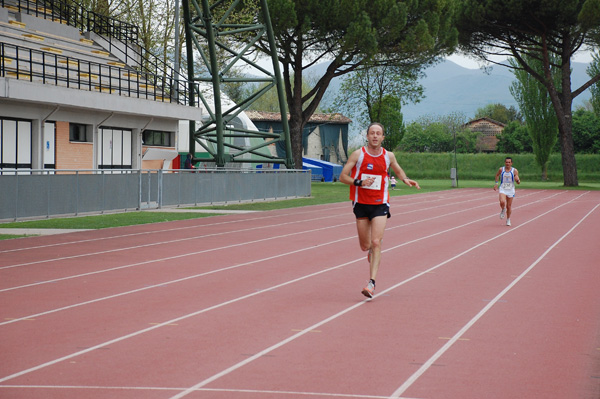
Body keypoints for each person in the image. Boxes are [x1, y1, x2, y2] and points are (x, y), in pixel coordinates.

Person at [340, 122, 420, 298]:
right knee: (365, 245)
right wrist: (359, 182)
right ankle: (370, 250)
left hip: (380, 203)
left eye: (378, 133)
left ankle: (371, 283)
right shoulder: (358, 154)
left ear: (383, 137)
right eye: (372, 133)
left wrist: (406, 179)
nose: (375, 136)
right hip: (360, 202)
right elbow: (343, 176)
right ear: (367, 136)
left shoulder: (388, 156)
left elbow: (398, 171)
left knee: (376, 242)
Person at [493, 157, 520, 226]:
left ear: (511, 163)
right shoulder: (501, 169)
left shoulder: (514, 170)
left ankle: (508, 219)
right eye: (506, 162)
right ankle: (503, 209)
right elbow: (497, 175)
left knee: (509, 206)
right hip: (503, 188)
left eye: (509, 162)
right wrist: (496, 183)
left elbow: (518, 182)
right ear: (505, 163)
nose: (507, 163)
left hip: (511, 189)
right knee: (502, 201)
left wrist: (517, 180)